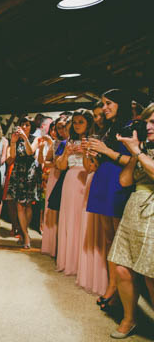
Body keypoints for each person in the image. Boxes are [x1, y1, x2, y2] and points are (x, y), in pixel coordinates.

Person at [107, 103, 154, 339]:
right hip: (134, 208)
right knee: (122, 268)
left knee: (151, 274)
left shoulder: (141, 151)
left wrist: (136, 152)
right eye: (148, 122)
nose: (149, 126)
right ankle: (129, 318)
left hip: (153, 213)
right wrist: (138, 152)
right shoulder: (145, 148)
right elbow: (125, 181)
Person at [84, 89, 133, 311]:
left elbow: (134, 161)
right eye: (104, 104)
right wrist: (93, 154)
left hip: (117, 184)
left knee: (118, 243)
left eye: (109, 103)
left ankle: (116, 290)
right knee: (108, 241)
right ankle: (111, 285)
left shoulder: (132, 127)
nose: (104, 108)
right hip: (103, 181)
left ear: (120, 104)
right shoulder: (110, 128)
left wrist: (106, 151)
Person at [55, 110, 93, 275]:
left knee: (83, 221)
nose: (77, 125)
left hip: (85, 180)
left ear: (88, 123)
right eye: (75, 122)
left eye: (81, 122)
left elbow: (90, 166)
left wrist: (84, 151)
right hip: (69, 181)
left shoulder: (93, 140)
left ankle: (82, 264)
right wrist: (67, 153)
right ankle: (69, 261)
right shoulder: (69, 141)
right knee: (69, 220)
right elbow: (61, 166)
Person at [7, 117, 41, 248]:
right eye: (22, 125)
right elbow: (12, 156)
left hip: (30, 174)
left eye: (27, 125)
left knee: (28, 205)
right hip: (18, 173)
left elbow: (30, 151)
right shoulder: (16, 139)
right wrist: (13, 142)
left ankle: (24, 231)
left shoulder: (35, 139)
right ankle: (25, 234)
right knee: (19, 205)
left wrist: (25, 138)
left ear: (31, 127)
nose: (24, 127)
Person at [40, 117, 67, 257]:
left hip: (69, 178)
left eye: (64, 127)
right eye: (59, 128)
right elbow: (46, 161)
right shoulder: (56, 143)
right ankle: (53, 245)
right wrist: (54, 164)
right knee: (52, 211)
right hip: (55, 176)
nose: (61, 130)